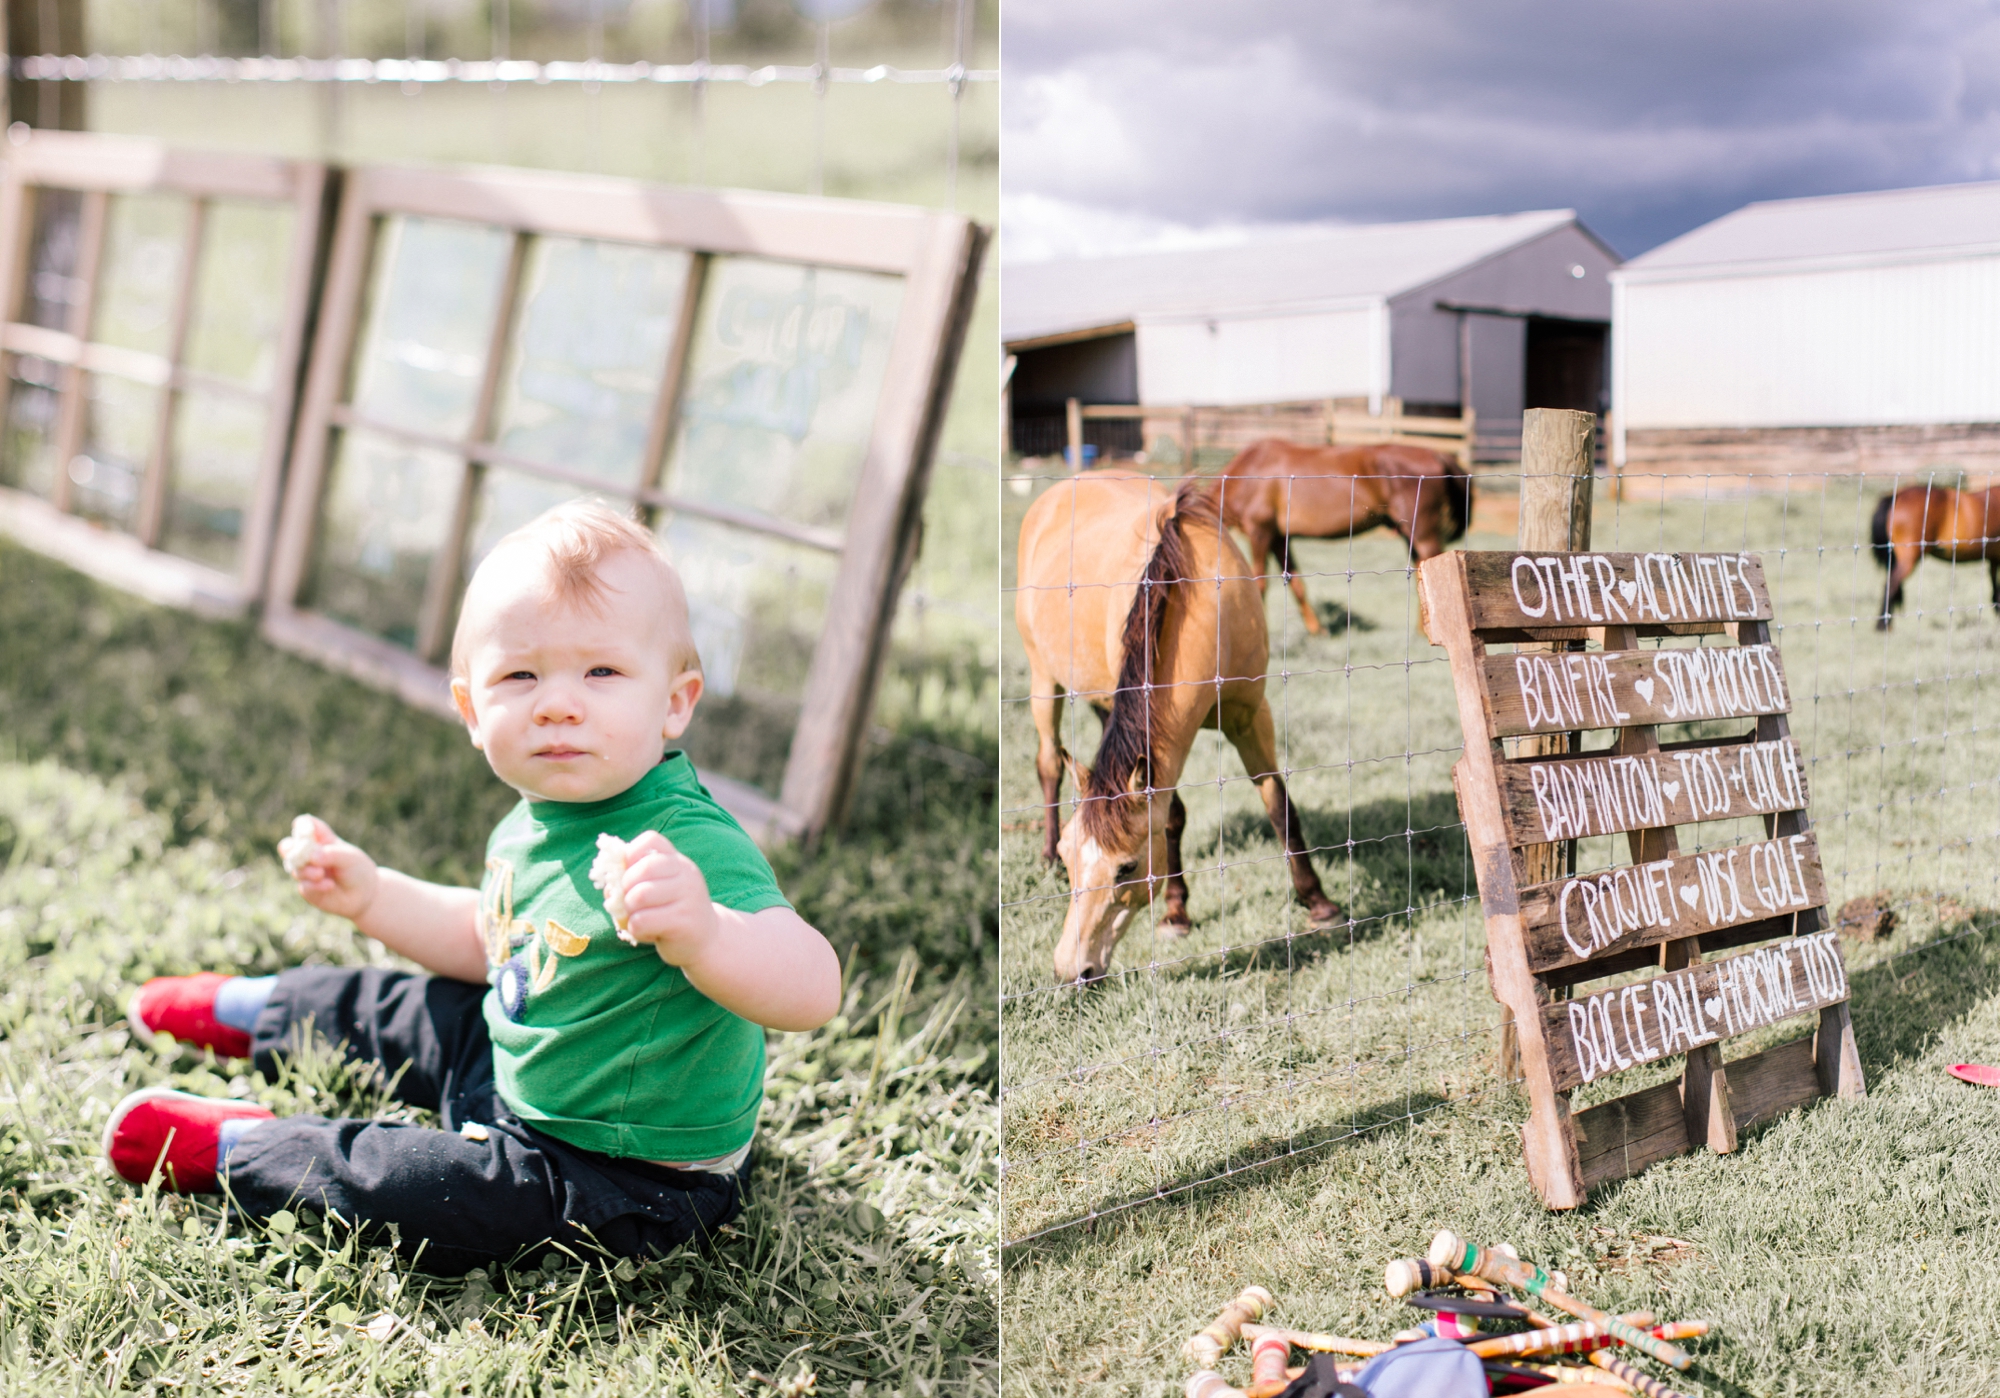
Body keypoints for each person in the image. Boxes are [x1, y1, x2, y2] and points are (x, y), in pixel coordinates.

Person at [99, 500, 842, 1273]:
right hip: (522, 1069)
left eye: (602, 671)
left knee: (418, 1185)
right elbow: (490, 944)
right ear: (472, 710)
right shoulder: (538, 819)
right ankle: (254, 1013)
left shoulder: (687, 841)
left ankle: (244, 1147)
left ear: (675, 702)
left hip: (621, 1179)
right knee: (411, 1006)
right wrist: (373, 896)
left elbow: (815, 987)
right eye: (520, 674)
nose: (558, 701)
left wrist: (710, 934)